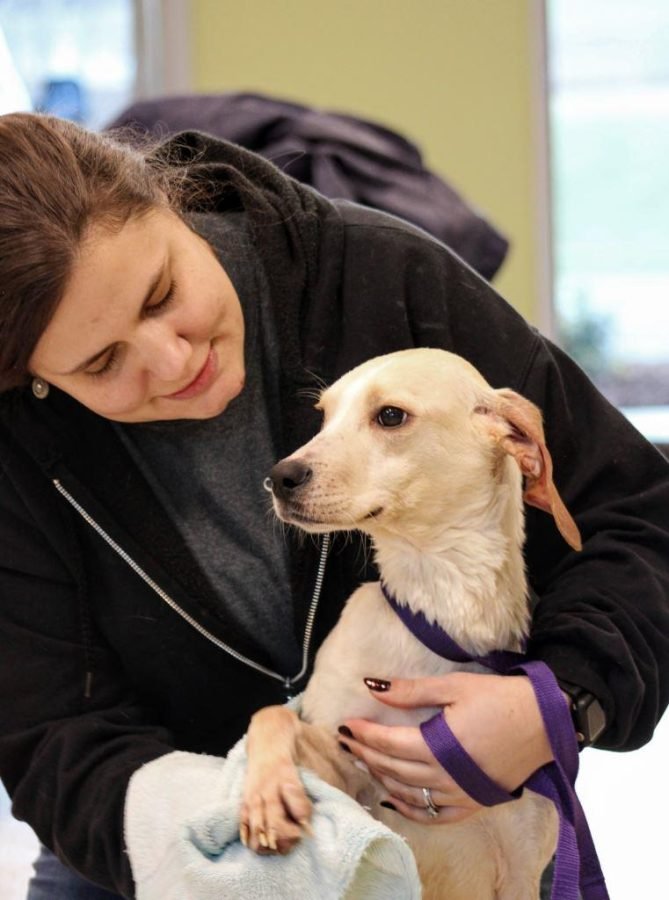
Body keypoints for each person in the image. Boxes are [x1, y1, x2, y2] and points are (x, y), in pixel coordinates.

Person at [0, 112, 667, 900]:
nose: (172, 360)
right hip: (177, 851)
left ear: (174, 206)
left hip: (453, 834)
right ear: (34, 381)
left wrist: (559, 702)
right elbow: (49, 739)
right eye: (103, 361)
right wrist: (239, 850)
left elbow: (640, 515)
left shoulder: (387, 281)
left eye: (162, 292)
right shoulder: (20, 445)